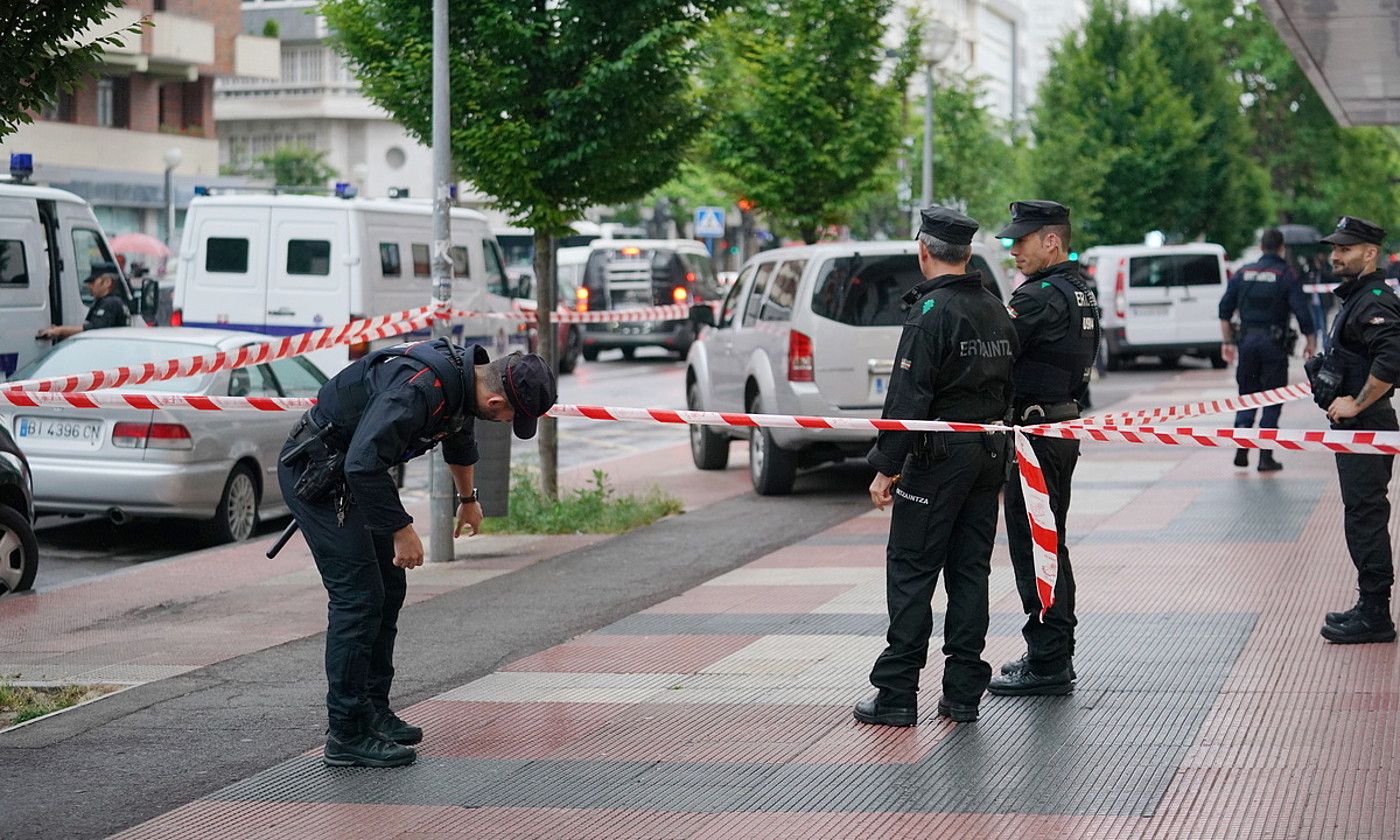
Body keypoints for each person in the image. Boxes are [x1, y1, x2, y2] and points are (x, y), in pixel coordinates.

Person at [278, 340, 556, 766]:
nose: (504, 423)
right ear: (496, 399)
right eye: (508, 417)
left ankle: (373, 709)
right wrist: (402, 530)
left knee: (388, 587)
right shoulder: (420, 390)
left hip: (355, 473)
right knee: (358, 598)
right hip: (319, 474)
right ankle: (346, 733)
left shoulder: (467, 384)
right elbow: (362, 463)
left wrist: (467, 499)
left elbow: (459, 440)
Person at [854, 207, 1017, 727]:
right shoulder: (996, 309)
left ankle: (897, 693)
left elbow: (908, 397)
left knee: (911, 569)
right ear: (966, 254)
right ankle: (963, 693)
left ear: (924, 252)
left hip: (937, 457)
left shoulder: (929, 314)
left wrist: (885, 467)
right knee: (970, 570)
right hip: (989, 451)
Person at [985, 200, 1098, 698]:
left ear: (1051, 241)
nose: (1013, 251)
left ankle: (1049, 659)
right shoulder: (1079, 291)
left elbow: (993, 352)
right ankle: (1050, 651)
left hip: (1033, 435)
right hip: (1058, 428)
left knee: (1036, 547)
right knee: (1049, 542)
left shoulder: (1037, 298)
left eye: (1021, 241)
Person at [1307, 216, 1400, 645]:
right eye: (1335, 248)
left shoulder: (1375, 299)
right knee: (1360, 513)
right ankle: (1369, 603)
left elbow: (1391, 359)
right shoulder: (1357, 298)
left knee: (1366, 514)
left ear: (1370, 253)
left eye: (1345, 248)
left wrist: (1357, 402)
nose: (1335, 255)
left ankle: (1376, 612)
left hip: (1368, 424)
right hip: (1357, 428)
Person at [1218, 229, 1317, 472]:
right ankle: (1265, 456)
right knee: (1272, 400)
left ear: (1261, 247)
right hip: (1273, 346)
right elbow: (1302, 312)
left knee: (1248, 396)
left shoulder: (1243, 273)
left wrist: (1228, 342)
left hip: (1247, 343)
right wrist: (1310, 342)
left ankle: (1242, 447)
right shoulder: (1286, 274)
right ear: (1281, 248)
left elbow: (1224, 309)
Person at [35, 264, 129, 340]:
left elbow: (93, 329)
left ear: (107, 282)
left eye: (92, 282)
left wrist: (60, 330)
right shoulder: (102, 301)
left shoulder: (111, 302)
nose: (89, 286)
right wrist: (59, 333)